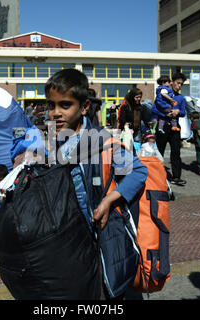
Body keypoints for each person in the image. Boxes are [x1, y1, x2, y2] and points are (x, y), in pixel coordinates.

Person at [45, 68, 148, 298]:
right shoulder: (54, 140)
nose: (55, 113)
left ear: (83, 107)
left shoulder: (102, 142)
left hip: (100, 239)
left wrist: (110, 200)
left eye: (65, 105)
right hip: (71, 242)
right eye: (51, 105)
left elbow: (139, 171)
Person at [152, 72, 187, 186]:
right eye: (178, 83)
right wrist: (164, 114)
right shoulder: (162, 94)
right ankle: (157, 176)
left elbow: (183, 112)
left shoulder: (180, 97)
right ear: (172, 82)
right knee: (160, 151)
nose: (179, 86)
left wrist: (177, 112)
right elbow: (154, 109)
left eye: (181, 84)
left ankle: (176, 177)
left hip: (175, 127)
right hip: (163, 126)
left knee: (176, 152)